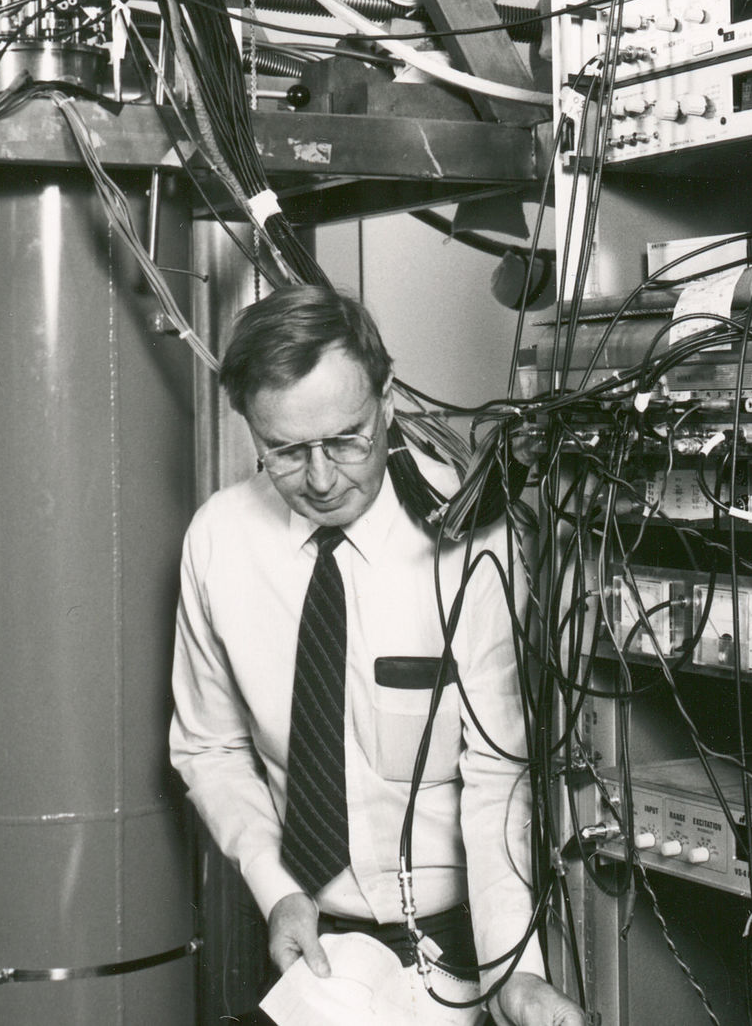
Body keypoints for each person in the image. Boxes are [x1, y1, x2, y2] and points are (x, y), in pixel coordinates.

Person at [170, 285, 585, 1026]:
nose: (323, 478)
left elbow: (499, 778)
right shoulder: (219, 541)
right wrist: (275, 887)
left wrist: (513, 971)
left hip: (454, 949)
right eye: (288, 452)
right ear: (250, 433)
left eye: (347, 439)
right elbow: (209, 746)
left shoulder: (470, 539)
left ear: (387, 401)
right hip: (312, 948)